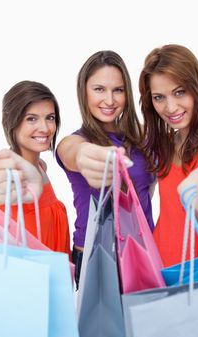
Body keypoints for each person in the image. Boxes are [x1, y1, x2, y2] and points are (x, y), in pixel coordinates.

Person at [56, 50, 156, 287]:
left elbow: (145, 194)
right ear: (84, 91)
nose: (109, 100)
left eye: (118, 90)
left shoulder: (143, 138)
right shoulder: (73, 142)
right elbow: (74, 153)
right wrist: (84, 156)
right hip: (95, 258)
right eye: (99, 89)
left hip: (144, 253)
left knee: (146, 324)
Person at [139, 44, 198, 267]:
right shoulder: (162, 144)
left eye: (179, 92)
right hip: (163, 268)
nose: (170, 107)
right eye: (159, 97)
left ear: (197, 88)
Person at [0, 81, 71, 255]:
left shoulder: (40, 167)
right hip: (26, 279)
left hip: (56, 275)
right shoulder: (8, 174)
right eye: (31, 119)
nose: (45, 128)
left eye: (50, 118)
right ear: (12, 122)